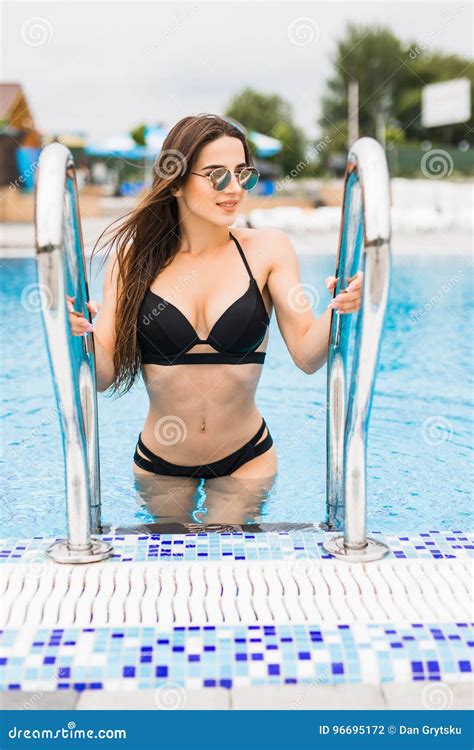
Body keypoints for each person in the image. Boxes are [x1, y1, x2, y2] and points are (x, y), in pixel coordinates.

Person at [68, 113, 363, 525]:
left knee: (231, 567)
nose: (234, 189)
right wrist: (79, 334)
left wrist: (339, 309)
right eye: (216, 175)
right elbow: (102, 375)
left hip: (246, 458)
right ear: (175, 182)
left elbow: (307, 356)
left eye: (242, 173)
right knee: (169, 571)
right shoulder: (132, 260)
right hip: (161, 462)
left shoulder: (268, 250)